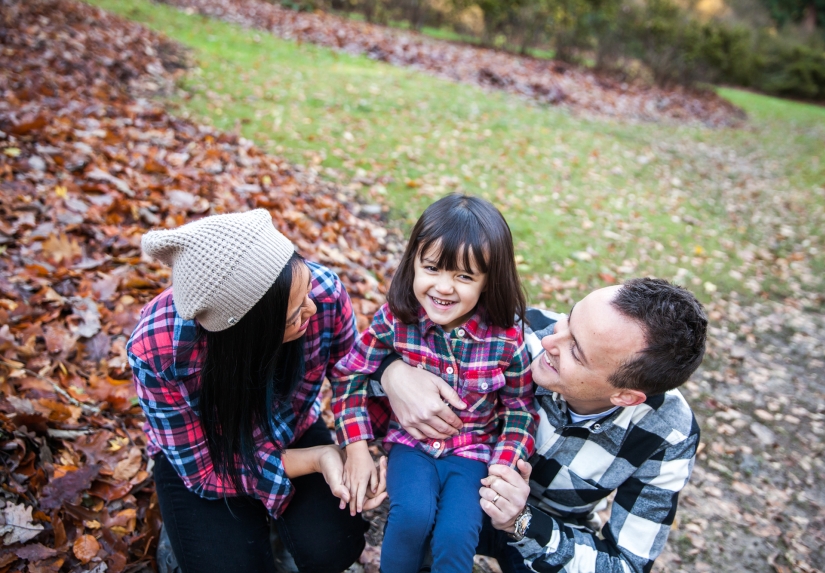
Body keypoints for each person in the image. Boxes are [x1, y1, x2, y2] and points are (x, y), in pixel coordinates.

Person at [374, 278, 707, 573]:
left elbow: (624, 565)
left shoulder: (668, 433)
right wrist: (391, 372)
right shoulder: (513, 332)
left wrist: (522, 521)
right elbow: (373, 349)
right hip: (454, 484)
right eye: (568, 319)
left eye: (575, 351)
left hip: (548, 531)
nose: (551, 340)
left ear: (624, 396)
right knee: (419, 523)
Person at [126, 209, 387, 573]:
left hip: (290, 427)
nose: (310, 308)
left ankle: (278, 531)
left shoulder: (322, 294)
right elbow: (203, 473)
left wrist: (355, 449)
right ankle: (185, 541)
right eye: (294, 314)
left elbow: (351, 375)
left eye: (306, 288)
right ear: (247, 333)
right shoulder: (158, 351)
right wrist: (318, 458)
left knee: (334, 546)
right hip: (208, 454)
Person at [331, 194, 537, 573]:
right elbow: (350, 374)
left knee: (456, 535)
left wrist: (502, 468)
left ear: (488, 282)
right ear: (413, 262)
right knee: (411, 517)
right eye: (432, 268)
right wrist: (357, 449)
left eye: (464, 276)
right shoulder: (396, 319)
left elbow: (520, 409)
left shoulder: (507, 339)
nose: (443, 288)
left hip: (473, 453)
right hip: (412, 446)